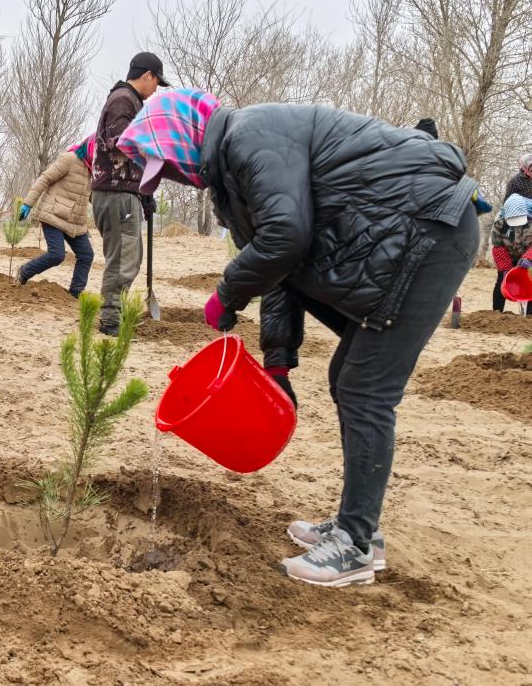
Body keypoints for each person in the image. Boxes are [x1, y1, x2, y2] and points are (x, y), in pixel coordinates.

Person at [119, 88, 481, 587]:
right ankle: (360, 526)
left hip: (428, 234)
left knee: (365, 389)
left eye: (171, 165)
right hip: (408, 238)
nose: (177, 176)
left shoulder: (249, 137)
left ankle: (355, 544)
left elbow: (285, 237)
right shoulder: (232, 171)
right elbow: (282, 268)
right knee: (347, 377)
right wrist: (278, 363)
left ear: (182, 138)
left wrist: (228, 292)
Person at [91, 52, 169, 336]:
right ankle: (111, 319)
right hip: (116, 192)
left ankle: (116, 313)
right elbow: (122, 143)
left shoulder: (129, 101)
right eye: (157, 82)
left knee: (130, 257)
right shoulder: (123, 100)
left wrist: (144, 190)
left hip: (124, 191)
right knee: (123, 259)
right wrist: (154, 149)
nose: (156, 89)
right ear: (147, 75)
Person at [15, 135, 96, 296]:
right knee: (57, 255)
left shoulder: (95, 171)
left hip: (75, 222)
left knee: (86, 255)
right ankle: (25, 271)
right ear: (91, 148)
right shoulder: (69, 159)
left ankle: (75, 293)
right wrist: (28, 203)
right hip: (53, 215)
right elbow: (45, 179)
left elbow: (93, 197)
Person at [490, 194, 532, 312]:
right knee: (501, 280)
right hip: (508, 255)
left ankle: (529, 315)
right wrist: (505, 268)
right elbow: (498, 246)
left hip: (529, 257)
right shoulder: (499, 223)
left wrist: (529, 257)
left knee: (530, 278)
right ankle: (496, 313)